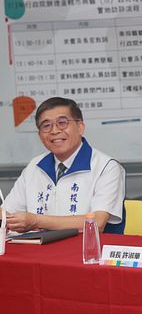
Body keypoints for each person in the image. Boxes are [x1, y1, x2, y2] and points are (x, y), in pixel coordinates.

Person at [1, 97, 125, 233]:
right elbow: (7, 214)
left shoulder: (107, 167)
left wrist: (36, 220)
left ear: (80, 127)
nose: (54, 131)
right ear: (40, 135)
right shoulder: (34, 167)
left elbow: (97, 222)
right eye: (46, 125)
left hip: (90, 246)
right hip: (40, 246)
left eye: (62, 123)